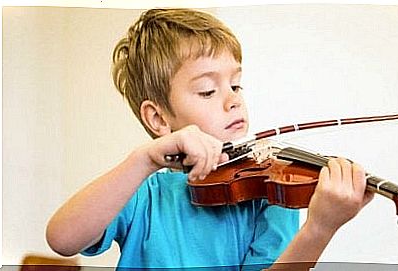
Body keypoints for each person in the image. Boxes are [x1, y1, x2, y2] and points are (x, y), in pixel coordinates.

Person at [46, 8, 374, 270]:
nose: (233, 100)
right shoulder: (145, 195)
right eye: (207, 90)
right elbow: (61, 239)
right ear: (158, 119)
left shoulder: (270, 195)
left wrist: (320, 228)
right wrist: (142, 160)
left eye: (236, 85)